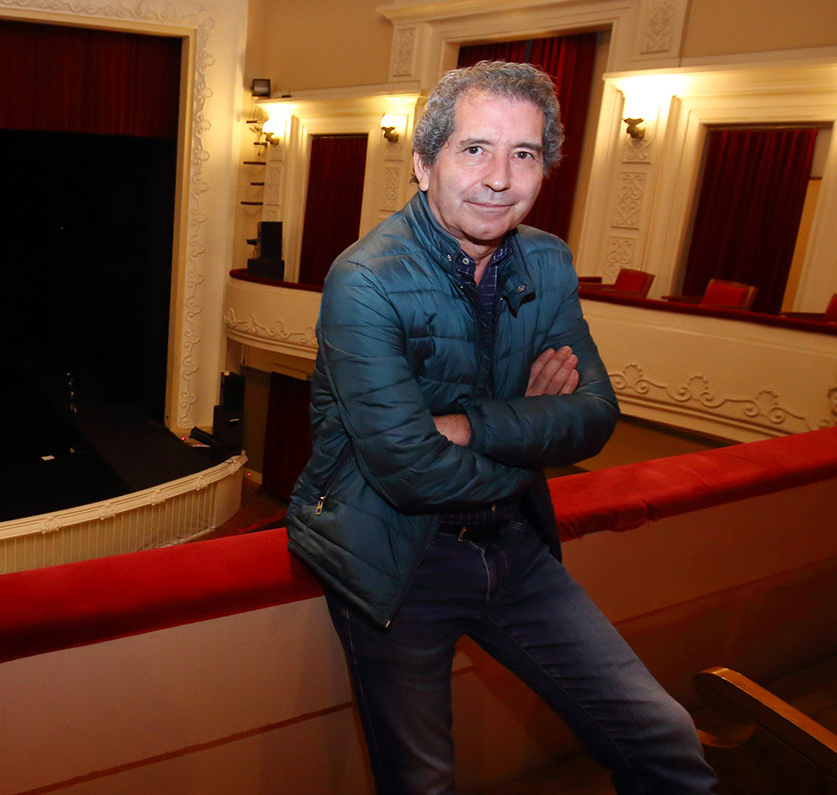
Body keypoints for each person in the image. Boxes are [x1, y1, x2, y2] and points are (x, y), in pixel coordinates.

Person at [286, 62, 716, 794]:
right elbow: (410, 469)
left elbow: (595, 415)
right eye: (475, 148)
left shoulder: (546, 260)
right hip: (396, 559)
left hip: (513, 546)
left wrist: (469, 425)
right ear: (424, 164)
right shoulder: (365, 279)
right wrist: (530, 430)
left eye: (524, 154)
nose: (499, 177)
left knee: (667, 739)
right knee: (422, 785)